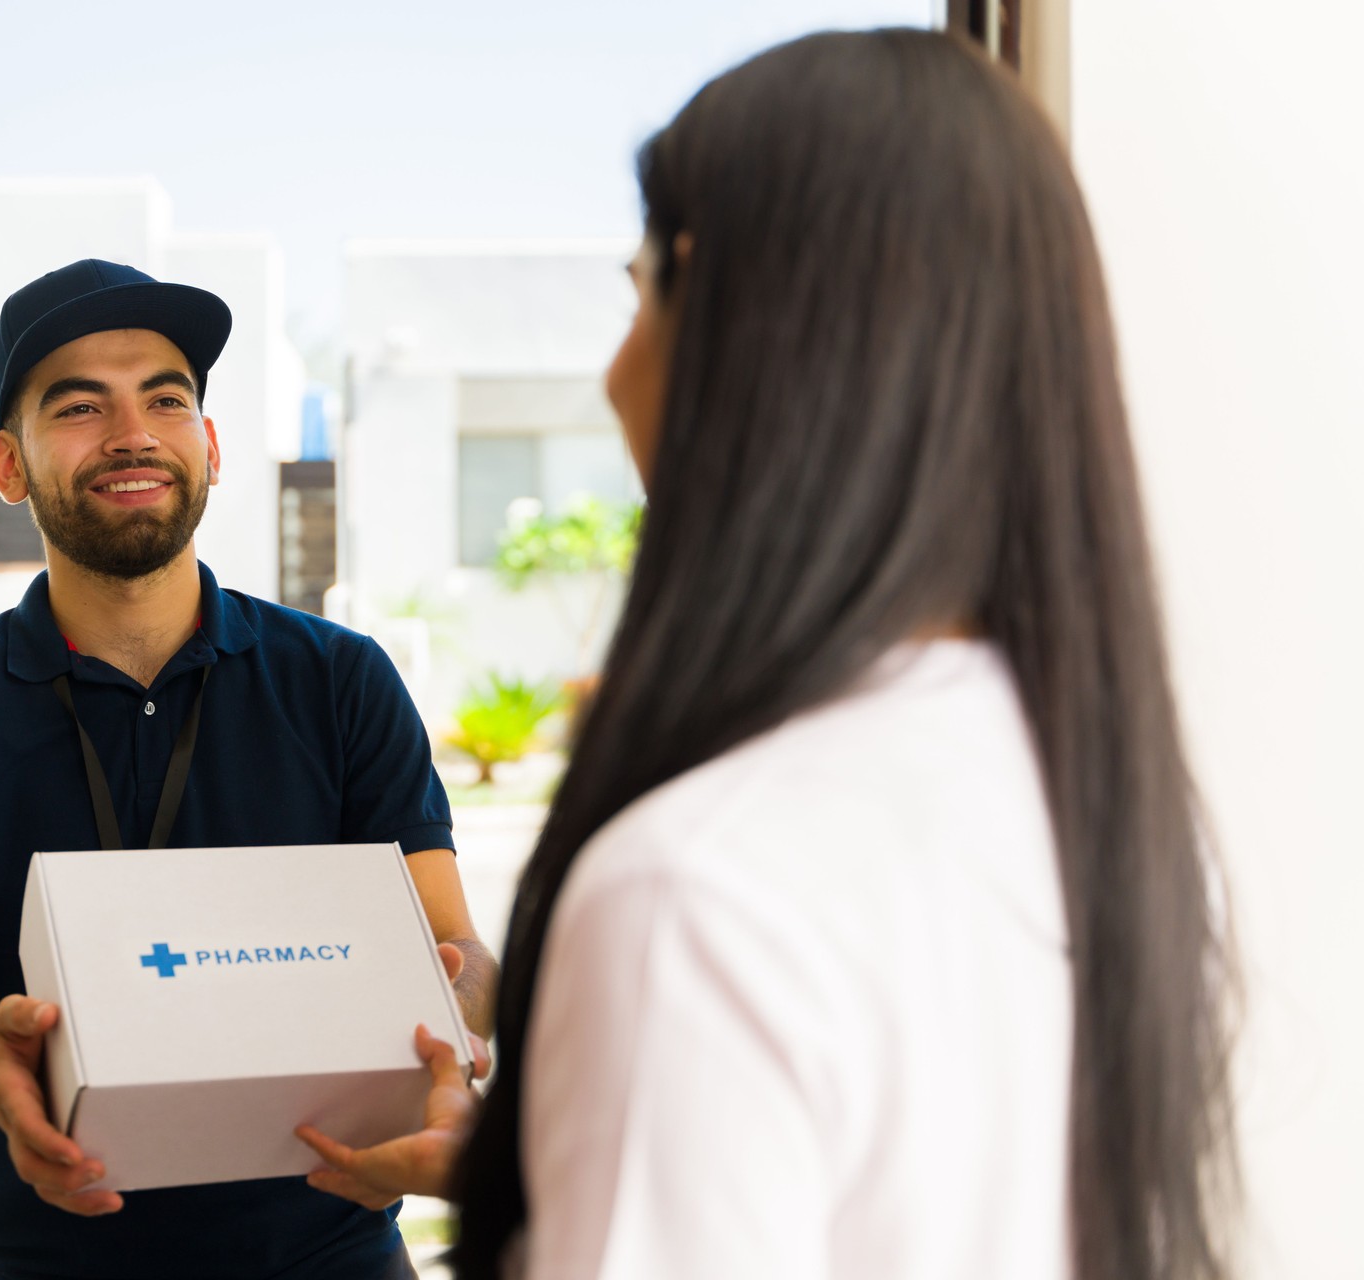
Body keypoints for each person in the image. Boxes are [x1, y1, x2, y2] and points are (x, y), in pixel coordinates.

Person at [297, 29, 1240, 1280]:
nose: (614, 373)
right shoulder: (1099, 804)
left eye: (641, 294)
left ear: (754, 334)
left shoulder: (692, 892)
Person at [0, 258, 498, 1280]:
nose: (132, 433)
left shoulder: (339, 679)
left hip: (336, 1252)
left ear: (212, 445)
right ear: (7, 466)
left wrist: (465, 1031)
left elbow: (455, 950)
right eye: (80, 406)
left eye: (166, 397)